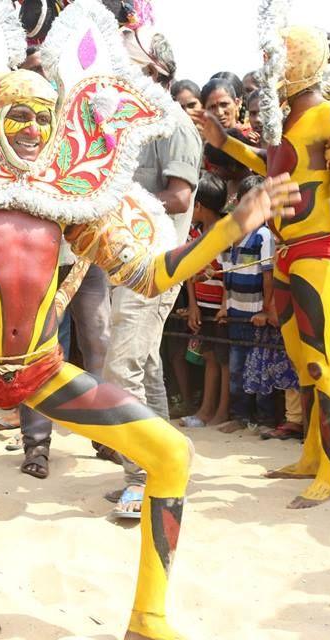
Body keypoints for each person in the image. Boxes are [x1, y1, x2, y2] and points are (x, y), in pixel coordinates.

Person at [0, 2, 299, 637]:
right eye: (14, 113)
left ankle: (149, 619)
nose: (26, 127)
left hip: (43, 374)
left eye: (39, 118)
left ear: (55, 126)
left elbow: (152, 275)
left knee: (171, 456)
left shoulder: (75, 202)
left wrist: (232, 228)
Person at [196, 25, 330, 508]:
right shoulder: (287, 125)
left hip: (321, 251)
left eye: (275, 64)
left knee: (322, 362)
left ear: (298, 64)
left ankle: (328, 473)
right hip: (285, 255)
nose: (268, 75)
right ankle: (309, 458)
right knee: (303, 363)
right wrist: (221, 138)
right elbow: (271, 166)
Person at [105, 25, 202, 520]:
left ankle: (141, 478)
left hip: (155, 264)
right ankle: (163, 464)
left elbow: (180, 197)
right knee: (144, 366)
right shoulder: (135, 126)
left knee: (120, 370)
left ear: (156, 70)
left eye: (128, 63)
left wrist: (113, 204)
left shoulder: (175, 127)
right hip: (128, 262)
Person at [221, 174, 278, 434]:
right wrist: (224, 305)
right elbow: (227, 274)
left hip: (256, 314)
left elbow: (269, 276)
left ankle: (265, 419)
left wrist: (266, 309)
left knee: (260, 368)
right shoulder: (232, 235)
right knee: (237, 369)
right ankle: (240, 416)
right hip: (235, 312)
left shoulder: (264, 236)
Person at [180, 173, 230, 430]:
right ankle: (206, 410)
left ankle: (218, 411)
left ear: (199, 205)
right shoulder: (194, 233)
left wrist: (225, 305)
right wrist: (193, 305)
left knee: (221, 359)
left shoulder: (225, 233)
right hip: (202, 305)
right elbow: (189, 271)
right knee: (208, 356)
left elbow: (229, 273)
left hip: (222, 309)